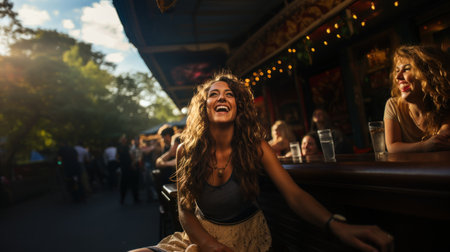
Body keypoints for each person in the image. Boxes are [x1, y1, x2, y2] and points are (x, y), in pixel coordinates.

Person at [131, 72, 393, 252]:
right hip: (199, 237)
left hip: (246, 238)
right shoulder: (186, 151)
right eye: (214, 94)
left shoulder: (255, 147)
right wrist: (209, 244)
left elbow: (295, 195)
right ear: (204, 107)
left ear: (239, 107)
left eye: (229, 94)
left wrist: (336, 226)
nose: (221, 97)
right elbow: (185, 212)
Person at [384, 44, 450, 153]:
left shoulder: (443, 103)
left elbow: (444, 135)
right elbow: (392, 147)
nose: (398, 77)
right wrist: (426, 146)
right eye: (397, 70)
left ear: (426, 74)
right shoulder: (393, 105)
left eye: (406, 69)